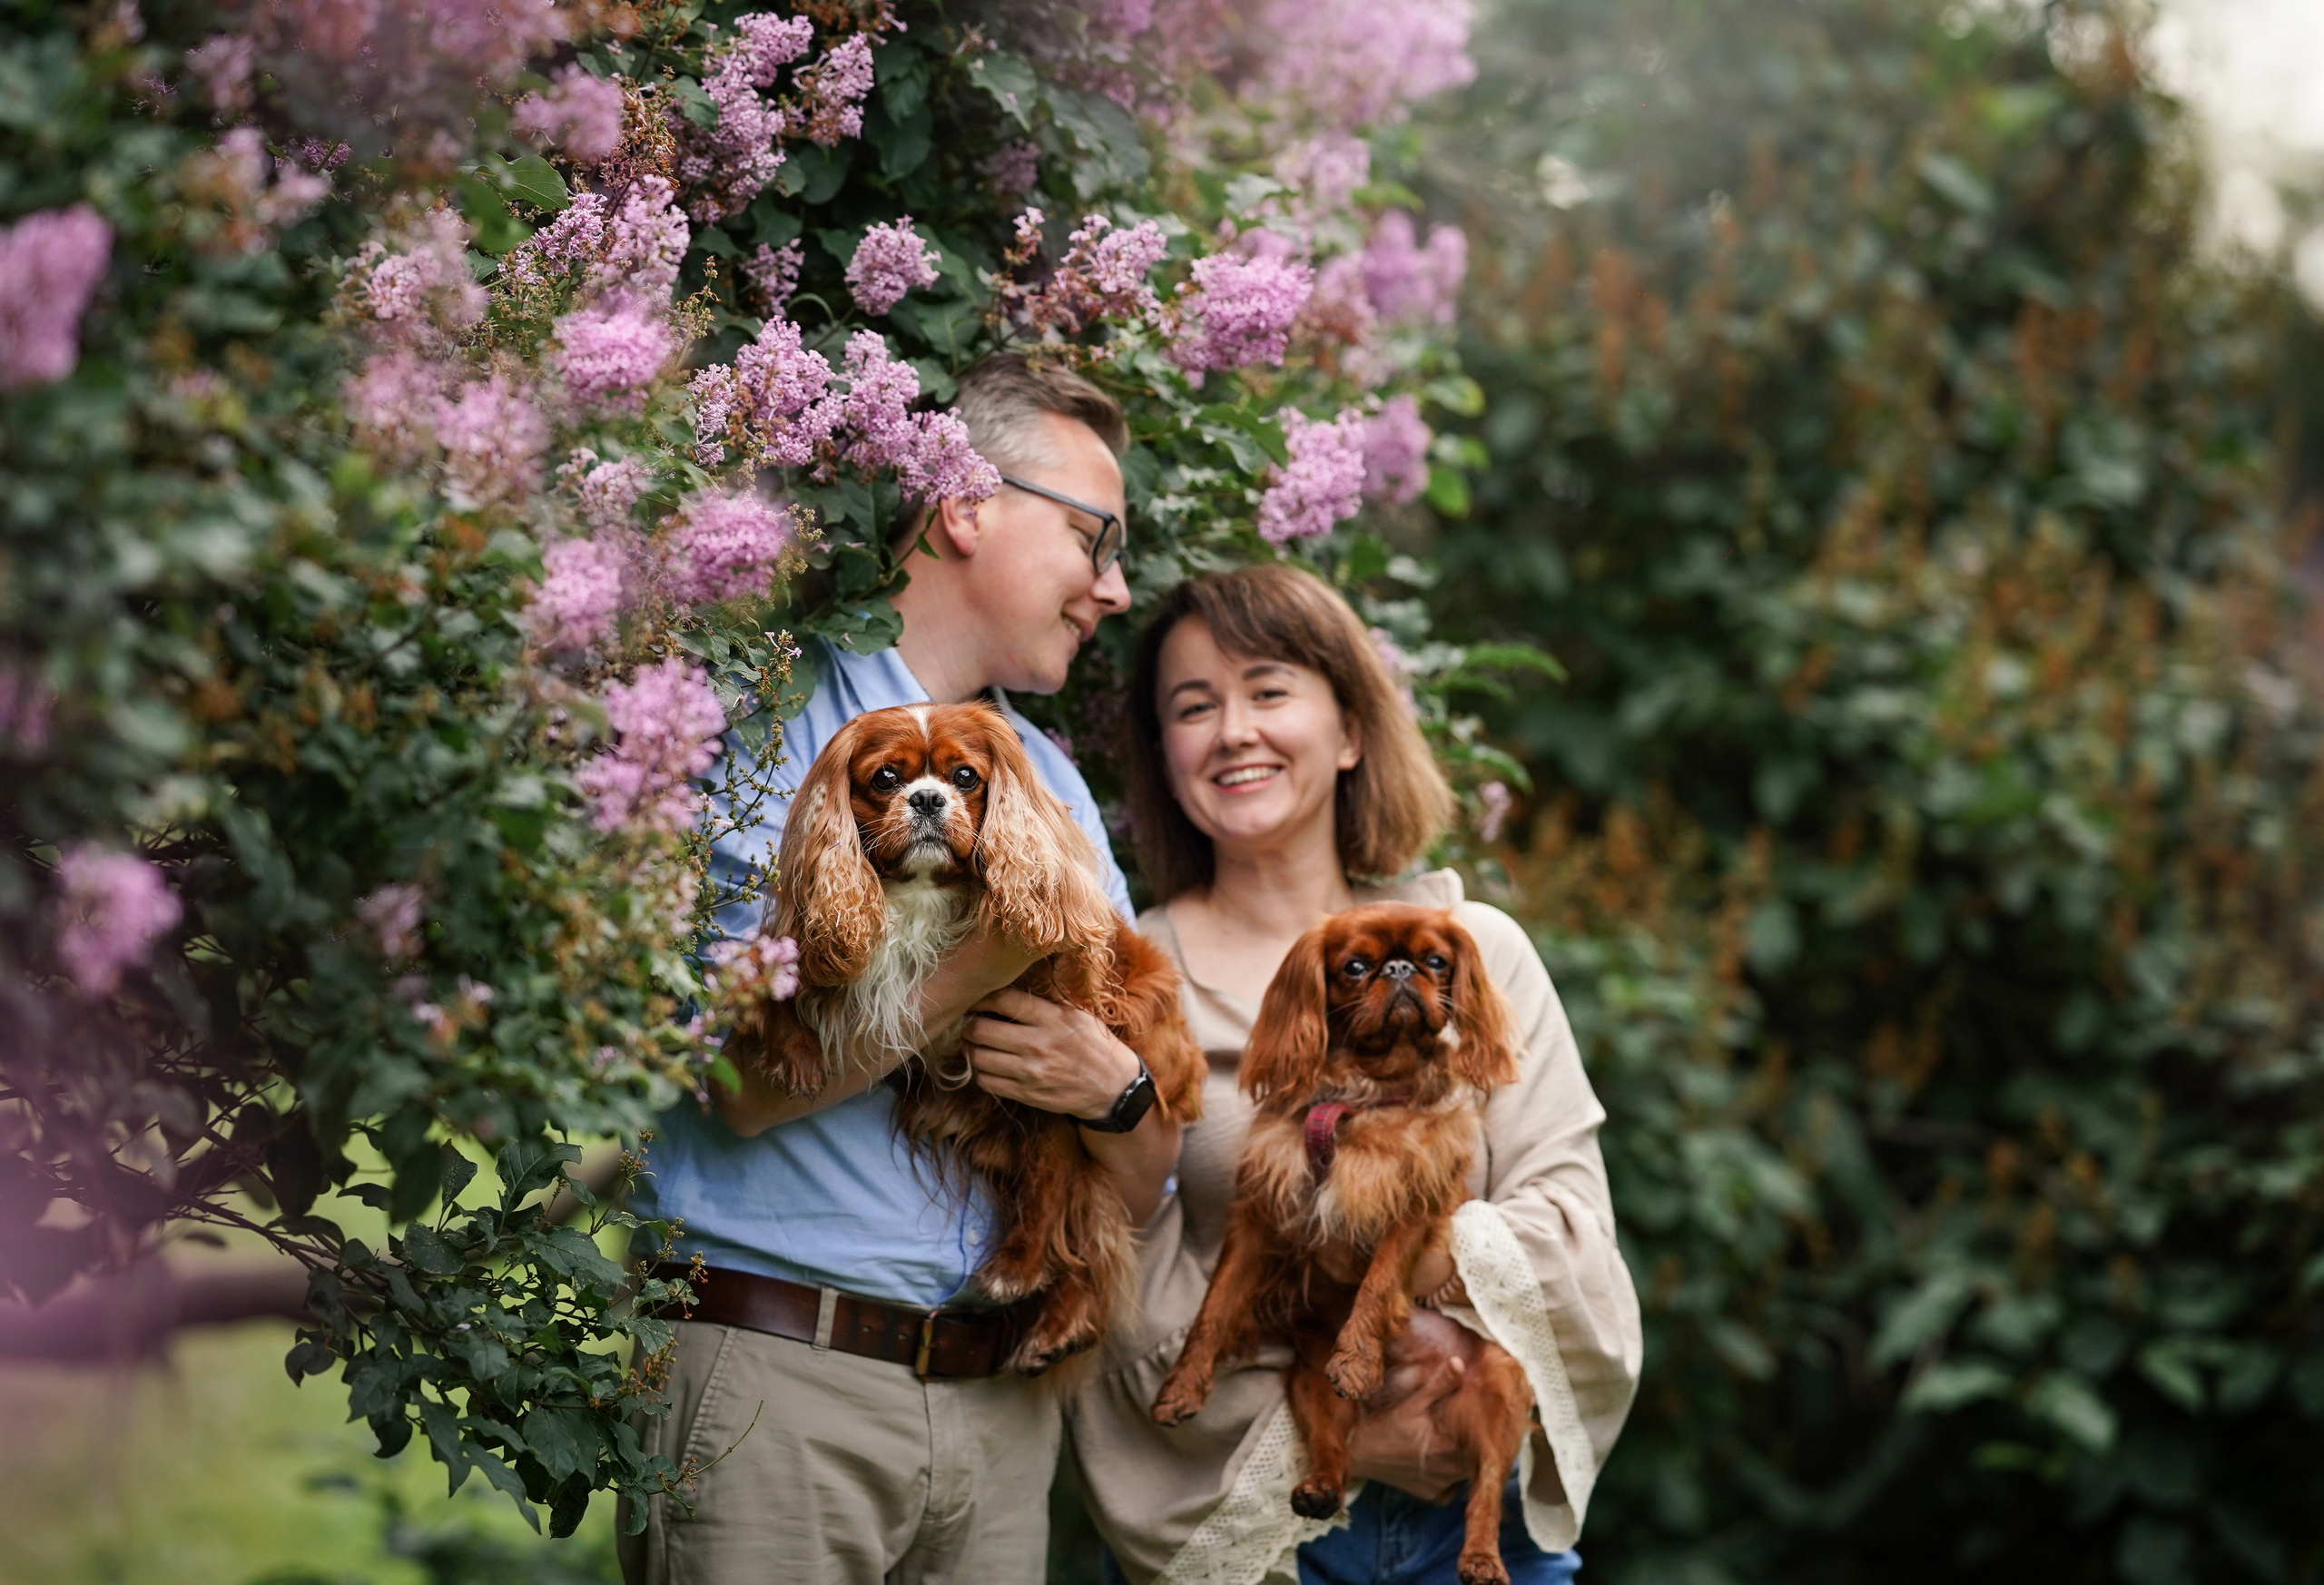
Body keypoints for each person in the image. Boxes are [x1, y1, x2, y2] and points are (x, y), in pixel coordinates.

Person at [619, 354, 1178, 1584]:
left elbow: (1144, 1175)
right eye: (1097, 538)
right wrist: (992, 961)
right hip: (780, 1382)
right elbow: (740, 1083)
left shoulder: (1053, 781)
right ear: (967, 505)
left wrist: (1118, 1096)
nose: (1116, 586)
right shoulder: (758, 728)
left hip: (1001, 1406)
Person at [1066, 566, 1643, 1585]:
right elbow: (1115, 1280)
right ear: (1164, 757)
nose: (1234, 730)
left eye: (1270, 691)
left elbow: (1568, 1223)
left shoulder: (1475, 951)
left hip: (1470, 1521)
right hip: (1242, 1526)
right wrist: (1324, 1431)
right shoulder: (1130, 983)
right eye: (1194, 707)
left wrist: (1405, 1287)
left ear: (1349, 731)